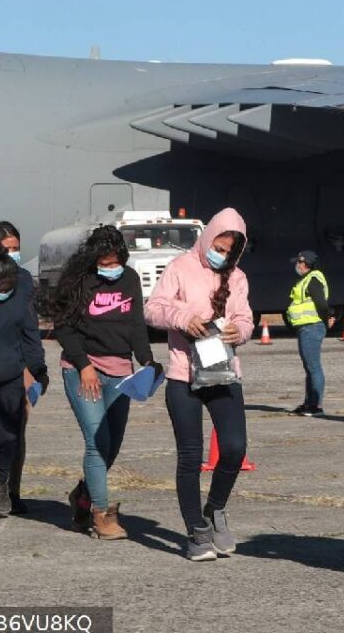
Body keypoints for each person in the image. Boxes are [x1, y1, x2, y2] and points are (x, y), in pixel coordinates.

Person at [145, 208, 254, 561]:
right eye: (218, 247)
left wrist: (242, 330)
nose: (221, 255)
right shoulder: (180, 267)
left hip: (222, 373)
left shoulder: (237, 277)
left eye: (229, 251)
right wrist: (181, 318)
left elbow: (245, 317)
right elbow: (153, 309)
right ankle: (196, 530)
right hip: (183, 376)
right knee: (190, 457)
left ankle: (215, 508)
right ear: (208, 238)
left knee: (235, 448)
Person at [47, 226, 161, 539]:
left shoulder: (131, 279)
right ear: (93, 259)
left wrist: (147, 362)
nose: (110, 270)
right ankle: (101, 514)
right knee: (97, 442)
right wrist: (84, 366)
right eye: (104, 264)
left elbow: (137, 326)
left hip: (121, 371)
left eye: (115, 264)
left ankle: (81, 496)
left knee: (112, 447)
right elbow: (65, 328)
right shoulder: (79, 280)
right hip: (84, 369)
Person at [0, 248, 48, 523]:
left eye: (7, 284)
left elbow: (31, 338)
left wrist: (40, 370)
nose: (2, 289)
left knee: (10, 438)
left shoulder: (20, 300)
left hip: (12, 378)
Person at [284, 250, 333, 417]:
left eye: (298, 263)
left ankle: (316, 405)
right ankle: (309, 403)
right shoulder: (306, 279)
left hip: (312, 327)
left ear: (304, 264)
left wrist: (327, 320)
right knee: (309, 367)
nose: (296, 266)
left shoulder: (313, 279)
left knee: (313, 367)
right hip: (306, 327)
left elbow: (321, 303)